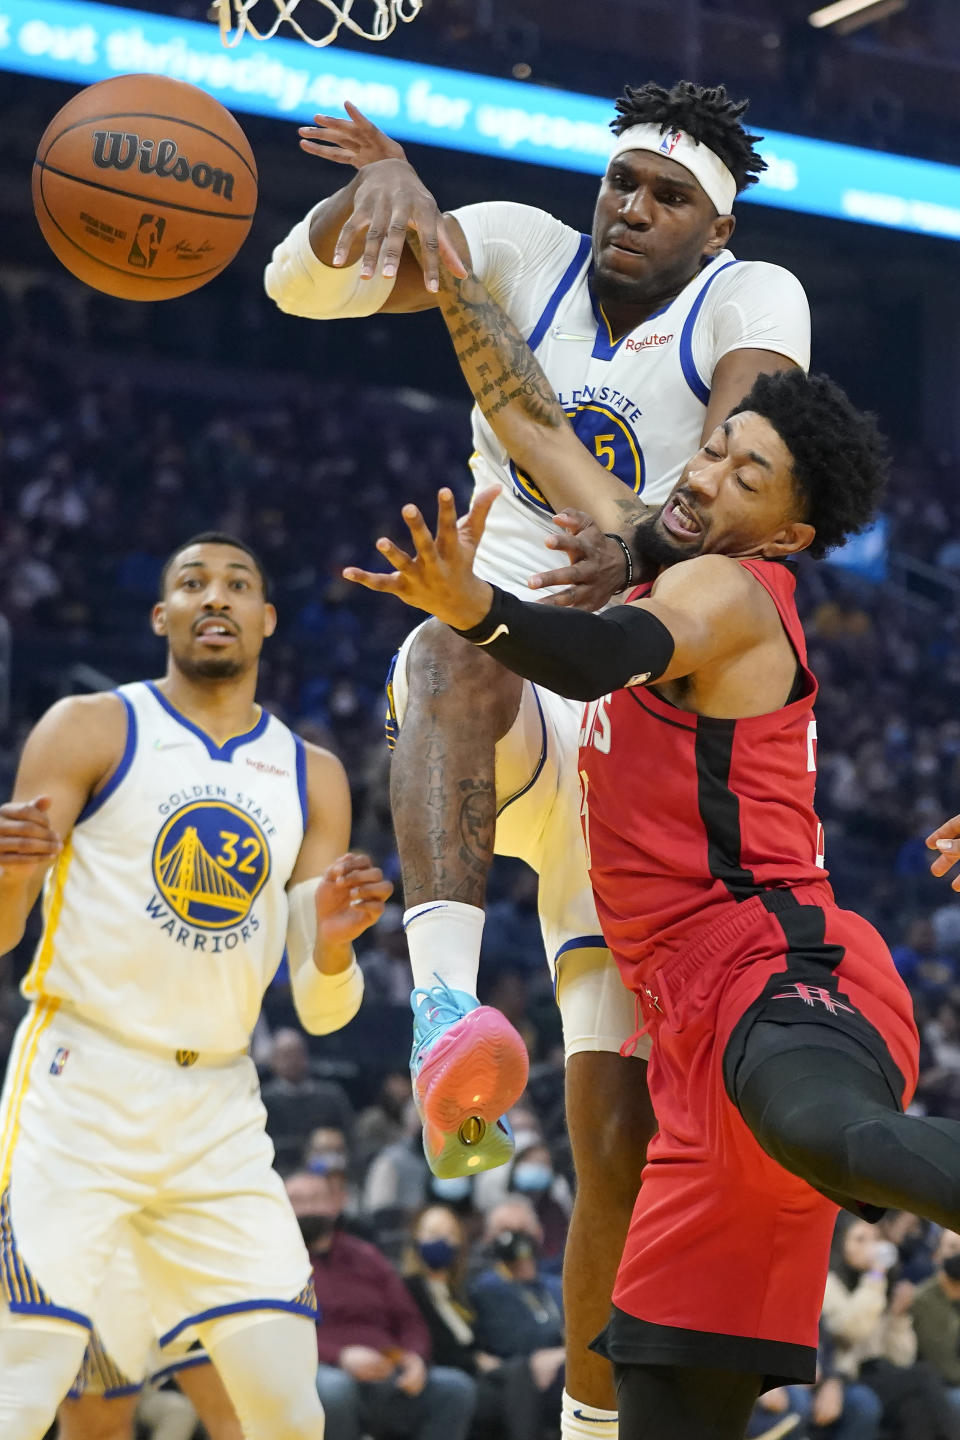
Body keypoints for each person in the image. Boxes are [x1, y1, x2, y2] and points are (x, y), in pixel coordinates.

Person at [266, 79, 811, 1437]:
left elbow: (763, 438)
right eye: (622, 178)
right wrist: (366, 203)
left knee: (614, 1146)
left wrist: (643, 538)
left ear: (716, 227)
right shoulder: (512, 242)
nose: (632, 205)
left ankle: (586, 1424)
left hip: (642, 729)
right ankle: (443, 1012)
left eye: (667, 193)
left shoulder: (753, 306)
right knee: (449, 647)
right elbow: (296, 288)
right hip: (504, 680)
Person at [343, 263, 960, 1436]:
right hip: (688, 1027)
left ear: (790, 531)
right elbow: (536, 424)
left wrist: (476, 608)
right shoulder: (670, 549)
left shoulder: (733, 586)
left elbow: (589, 658)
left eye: (748, 475)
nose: (710, 473)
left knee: (823, 1130)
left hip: (783, 979)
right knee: (668, 1403)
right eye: (717, 446)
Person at [0, 532, 393, 1440]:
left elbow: (322, 1008)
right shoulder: (89, 726)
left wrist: (330, 946)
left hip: (217, 1101)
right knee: (25, 1394)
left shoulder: (312, 774)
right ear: (160, 613)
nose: (213, 597)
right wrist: (13, 876)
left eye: (235, 585)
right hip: (81, 1081)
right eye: (191, 582)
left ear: (265, 620)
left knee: (289, 1412)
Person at [286, 1167, 477, 1440]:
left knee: (455, 1389)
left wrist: (414, 1357)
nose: (306, 1209)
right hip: (320, 1370)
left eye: (315, 1198)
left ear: (334, 1204)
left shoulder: (367, 1256)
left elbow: (409, 1319)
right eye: (296, 1200)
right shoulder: (273, 1263)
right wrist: (340, 1357)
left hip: (386, 1368)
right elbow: (277, 1333)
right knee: (334, 1392)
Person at [404, 1203, 556, 1440]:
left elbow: (479, 1338)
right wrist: (475, 1360)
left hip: (480, 1372)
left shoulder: (459, 1292)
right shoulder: (410, 1288)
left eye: (449, 1234)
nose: (441, 1241)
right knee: (519, 1374)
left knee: (520, 1374)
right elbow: (429, 1341)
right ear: (416, 1238)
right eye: (433, 1234)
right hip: (447, 1372)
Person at [910, 1229, 960, 1412]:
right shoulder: (923, 1298)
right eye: (953, 1247)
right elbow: (941, 1360)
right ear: (937, 1255)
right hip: (940, 1387)